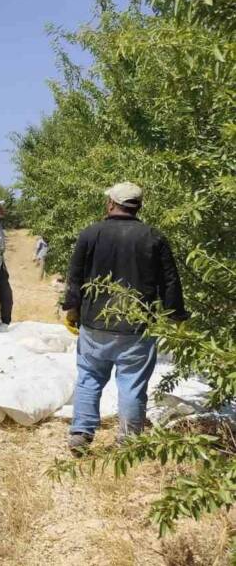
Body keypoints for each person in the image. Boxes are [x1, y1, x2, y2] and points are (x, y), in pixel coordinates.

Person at [63, 182, 187, 455]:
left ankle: (81, 434)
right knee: (132, 383)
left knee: (89, 377)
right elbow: (170, 283)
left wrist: (72, 310)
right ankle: (128, 441)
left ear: (111, 204)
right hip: (137, 327)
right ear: (138, 206)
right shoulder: (154, 237)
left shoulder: (90, 233)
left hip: (95, 323)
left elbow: (75, 276)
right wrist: (176, 318)